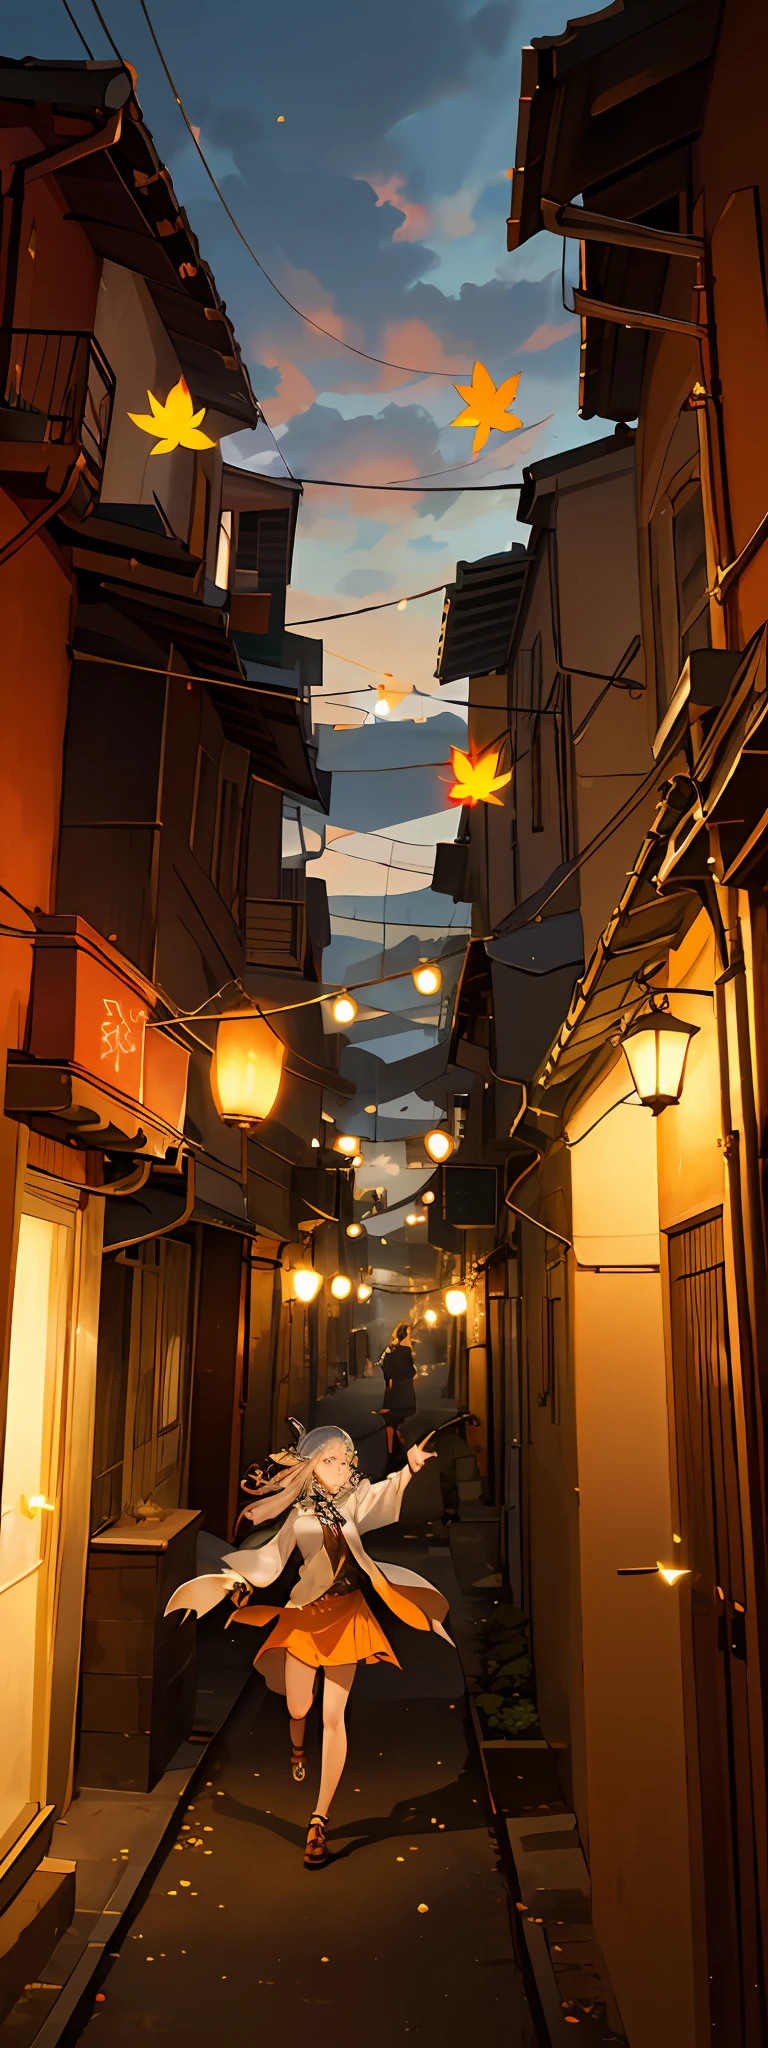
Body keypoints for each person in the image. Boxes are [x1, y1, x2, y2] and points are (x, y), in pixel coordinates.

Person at [164, 1424, 450, 1871]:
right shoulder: (298, 1517)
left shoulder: (351, 1505)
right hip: (304, 1618)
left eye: (345, 1461)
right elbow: (271, 1560)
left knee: (333, 1717)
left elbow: (379, 1498)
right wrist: (236, 1581)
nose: (341, 1469)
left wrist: (408, 1470)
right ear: (311, 1467)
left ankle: (319, 1820)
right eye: (330, 1461)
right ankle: (297, 1745)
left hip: (348, 1614)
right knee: (299, 1708)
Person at [378, 1320, 417, 1462]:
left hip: (392, 1395)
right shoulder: (406, 1352)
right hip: (405, 1395)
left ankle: (389, 1453)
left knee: (390, 1424)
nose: (411, 1338)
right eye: (410, 1335)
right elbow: (410, 1372)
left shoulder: (390, 1352)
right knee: (403, 1425)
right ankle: (403, 1454)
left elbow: (386, 1372)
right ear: (405, 1336)